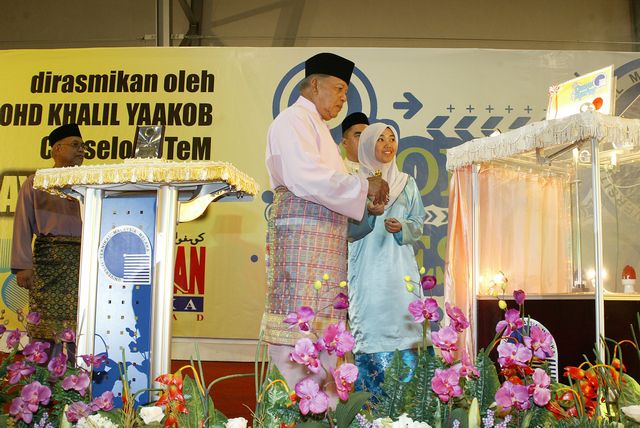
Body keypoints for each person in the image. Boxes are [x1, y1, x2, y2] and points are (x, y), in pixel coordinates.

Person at [263, 52, 388, 390]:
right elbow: (307, 177)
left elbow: (330, 187)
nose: (343, 99)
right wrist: (363, 186)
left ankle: (323, 406)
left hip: (323, 248)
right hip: (302, 247)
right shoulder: (292, 121)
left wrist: (364, 199)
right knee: (298, 332)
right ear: (315, 85)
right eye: (339, 89)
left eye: (346, 92)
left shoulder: (316, 126)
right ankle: (295, 406)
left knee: (324, 334)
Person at [347, 122, 426, 396]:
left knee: (406, 326)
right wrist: (370, 214)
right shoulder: (354, 183)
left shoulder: (407, 183)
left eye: (392, 138)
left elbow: (418, 223)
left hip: (400, 270)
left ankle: (410, 408)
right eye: (380, 139)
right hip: (368, 270)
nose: (388, 144)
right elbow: (348, 230)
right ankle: (371, 406)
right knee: (371, 327)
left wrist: (403, 227)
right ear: (369, 144)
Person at [11, 123, 84, 348]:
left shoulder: (90, 183)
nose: (81, 150)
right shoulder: (36, 182)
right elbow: (22, 224)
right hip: (48, 263)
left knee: (82, 323)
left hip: (84, 263)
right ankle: (42, 370)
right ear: (57, 149)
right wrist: (23, 266)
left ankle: (79, 368)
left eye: (83, 146)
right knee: (44, 326)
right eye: (75, 145)